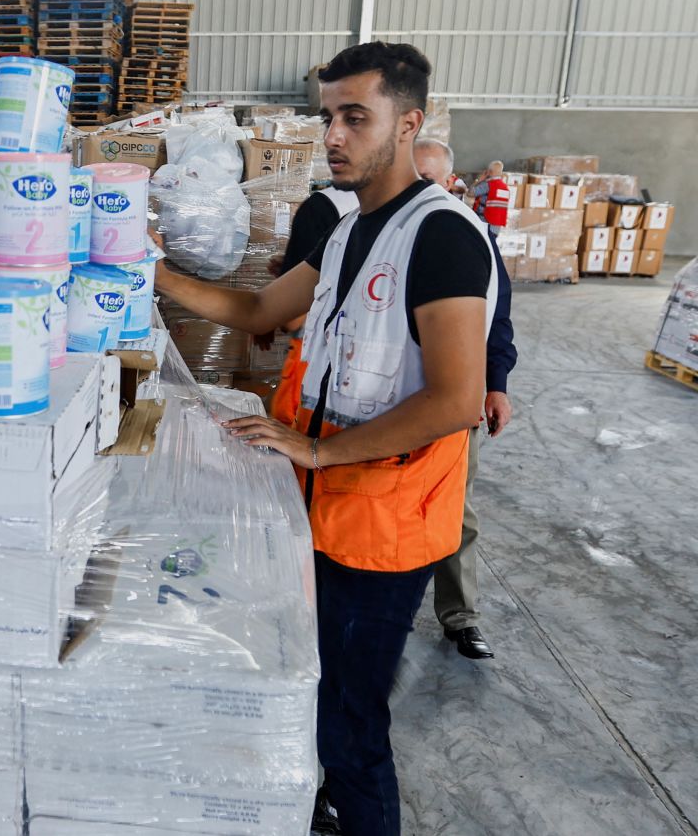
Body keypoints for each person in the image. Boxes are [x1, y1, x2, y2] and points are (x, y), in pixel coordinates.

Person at [153, 42, 498, 836]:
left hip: (385, 529)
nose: (333, 136)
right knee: (315, 696)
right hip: (323, 513)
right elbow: (257, 313)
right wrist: (148, 271)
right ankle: (321, 810)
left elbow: (457, 398)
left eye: (355, 117)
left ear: (407, 124)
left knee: (351, 725)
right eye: (327, 117)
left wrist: (316, 450)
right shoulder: (345, 233)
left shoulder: (440, 235)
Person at [413, 138, 518, 661]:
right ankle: (391, 603)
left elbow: (496, 316)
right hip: (393, 398)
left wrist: (496, 382)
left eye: (432, 180)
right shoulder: (385, 229)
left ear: (451, 182)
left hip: (457, 399)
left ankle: (460, 617)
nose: (423, 190)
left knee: (454, 509)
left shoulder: (470, 234)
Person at [266, 187, 359, 427]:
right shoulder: (410, 220)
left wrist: (272, 306)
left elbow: (291, 318)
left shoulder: (323, 207)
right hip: (350, 372)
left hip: (312, 357)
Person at [471, 160, 511, 233]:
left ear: (489, 172)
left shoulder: (488, 185)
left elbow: (469, 193)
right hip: (496, 227)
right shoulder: (505, 188)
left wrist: (479, 180)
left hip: (484, 224)